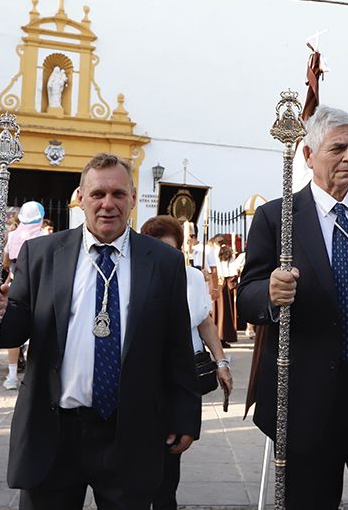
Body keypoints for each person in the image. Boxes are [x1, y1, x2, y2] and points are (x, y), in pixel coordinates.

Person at [0, 153, 200, 510]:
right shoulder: (42, 254)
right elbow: (12, 328)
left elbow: (177, 344)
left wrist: (186, 413)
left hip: (131, 432)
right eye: (97, 194)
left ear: (131, 196)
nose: (108, 204)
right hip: (55, 432)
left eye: (118, 194)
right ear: (80, 197)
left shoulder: (163, 262)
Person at [238, 106, 348, 510]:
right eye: (338, 148)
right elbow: (246, 295)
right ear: (308, 155)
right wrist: (270, 292)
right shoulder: (278, 217)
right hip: (309, 394)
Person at [140, 214, 231, 510]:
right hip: (143, 378)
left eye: (171, 250)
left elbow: (204, 321)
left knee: (170, 461)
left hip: (182, 378)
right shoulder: (134, 276)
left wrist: (221, 362)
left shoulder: (192, 278)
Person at [2, 201, 47, 390]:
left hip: (15, 283)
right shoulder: (43, 237)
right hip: (39, 286)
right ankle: (30, 374)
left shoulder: (12, 236)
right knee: (35, 331)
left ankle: (11, 375)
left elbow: (5, 261)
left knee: (15, 327)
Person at [212, 234, 237, 346]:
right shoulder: (228, 252)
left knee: (217, 311)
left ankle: (217, 336)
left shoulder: (212, 252)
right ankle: (224, 335)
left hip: (217, 281)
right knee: (225, 311)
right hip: (226, 282)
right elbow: (233, 270)